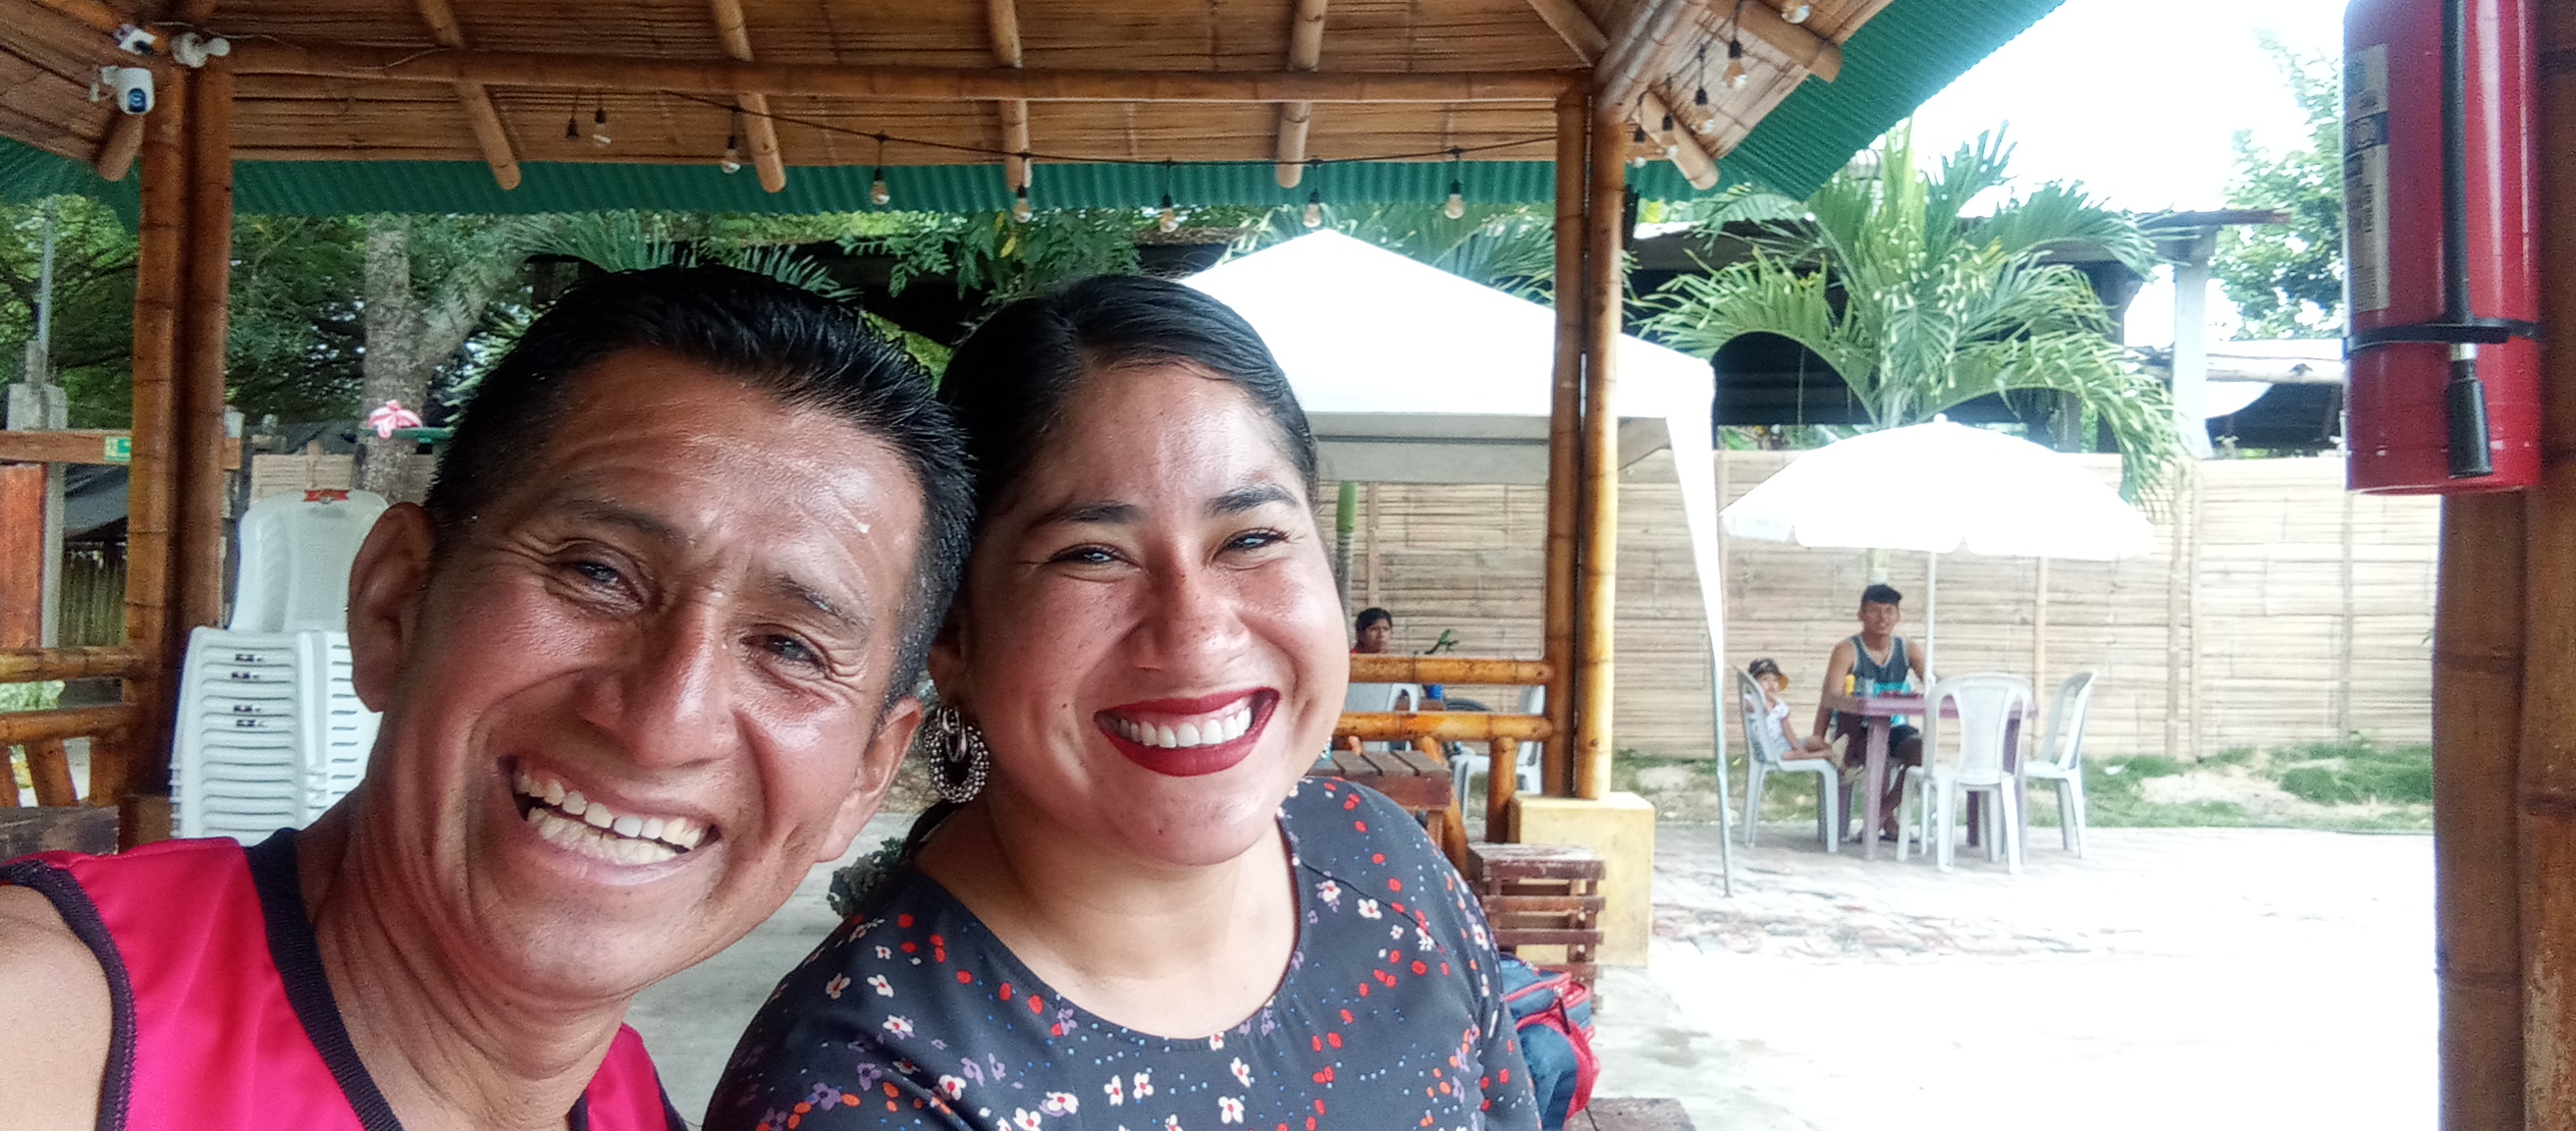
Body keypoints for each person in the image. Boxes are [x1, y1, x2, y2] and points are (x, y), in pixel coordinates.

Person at [0, 266, 974, 1131]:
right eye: (597, 573)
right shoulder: (55, 1030)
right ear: (395, 605)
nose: (664, 725)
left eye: (790, 648)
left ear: (865, 778)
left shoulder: (633, 1108)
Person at [707, 276, 1536, 1131]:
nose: (1196, 636)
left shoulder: (1382, 864)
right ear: (953, 633)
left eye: (1251, 538)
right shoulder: (864, 1085)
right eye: (1092, 555)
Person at [1810, 583, 1927, 840]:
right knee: (1877, 754)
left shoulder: (1908, 649)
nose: (1883, 617)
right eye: (1874, 610)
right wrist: (1819, 735)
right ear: (1861, 614)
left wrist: (1951, 686)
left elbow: (1932, 681)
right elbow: (1830, 696)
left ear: (1898, 615)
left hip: (1895, 727)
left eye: (1889, 610)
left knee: (1922, 751)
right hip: (1856, 730)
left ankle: (1881, 815)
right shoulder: (1847, 650)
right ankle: (1884, 822)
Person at [1745, 658, 1835, 765]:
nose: (1771, 684)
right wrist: (1762, 703)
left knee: (1815, 741)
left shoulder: (1779, 705)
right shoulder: (1749, 699)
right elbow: (1754, 707)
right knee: (1796, 756)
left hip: (1782, 741)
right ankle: (1825, 755)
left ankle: (1836, 751)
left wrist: (1797, 746)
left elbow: (1787, 728)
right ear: (1753, 683)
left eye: (1775, 680)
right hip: (1767, 750)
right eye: (1765, 679)